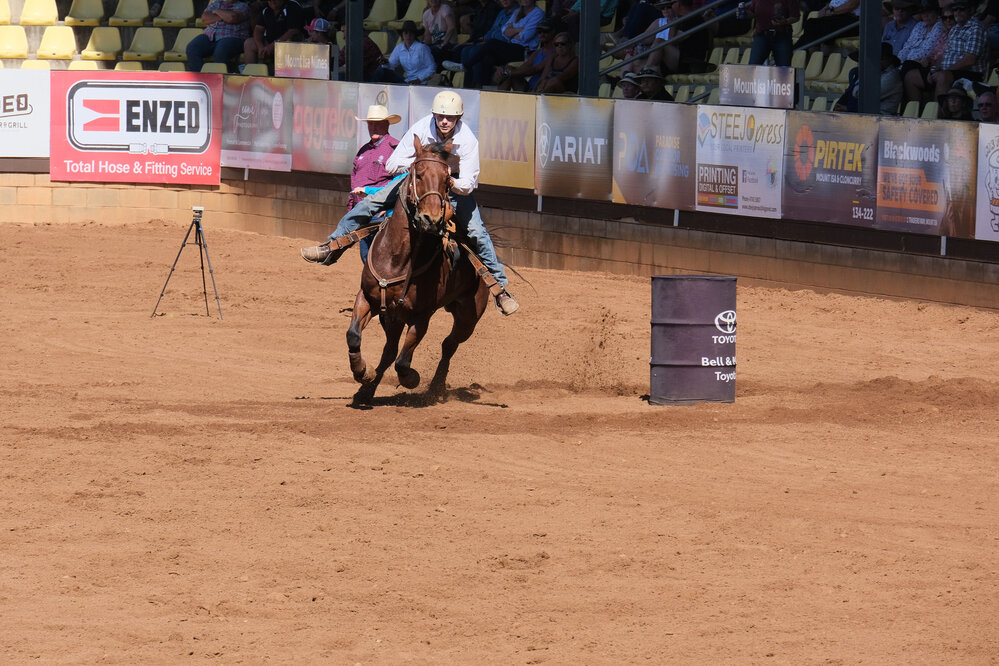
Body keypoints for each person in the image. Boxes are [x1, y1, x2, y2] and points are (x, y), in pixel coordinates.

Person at [301, 91, 520, 316]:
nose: (445, 121)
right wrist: (422, 165)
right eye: (441, 116)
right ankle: (331, 247)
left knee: (477, 232)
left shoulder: (467, 141)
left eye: (451, 117)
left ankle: (500, 289)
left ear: (459, 117)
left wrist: (445, 178)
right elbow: (392, 165)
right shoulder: (421, 128)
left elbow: (469, 183)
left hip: (451, 186)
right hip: (418, 180)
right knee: (368, 205)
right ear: (433, 115)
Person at [928, 0, 987, 96]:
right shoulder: (955, 29)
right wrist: (934, 70)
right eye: (955, 10)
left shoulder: (976, 29)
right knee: (912, 76)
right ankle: (912, 110)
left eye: (961, 9)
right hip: (950, 71)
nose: (957, 12)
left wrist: (946, 71)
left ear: (970, 10)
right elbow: (945, 54)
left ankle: (938, 110)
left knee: (943, 77)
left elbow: (969, 60)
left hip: (971, 74)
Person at [185, 0, 250, 73]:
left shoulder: (243, 5)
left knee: (220, 51)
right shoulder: (217, 3)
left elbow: (232, 18)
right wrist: (223, 16)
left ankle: (221, 77)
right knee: (192, 48)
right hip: (210, 35)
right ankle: (202, 76)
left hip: (233, 37)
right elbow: (204, 18)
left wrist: (217, 11)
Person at [494, 17, 555, 91]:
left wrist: (508, 72)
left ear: (553, 32)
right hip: (529, 87)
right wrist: (504, 70)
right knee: (508, 71)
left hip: (542, 88)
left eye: (545, 31)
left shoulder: (556, 51)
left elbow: (534, 69)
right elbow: (523, 68)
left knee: (509, 73)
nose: (542, 34)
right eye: (539, 31)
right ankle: (499, 99)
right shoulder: (538, 52)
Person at [243, 0, 305, 65]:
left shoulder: (292, 5)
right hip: (270, 43)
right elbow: (258, 29)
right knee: (249, 43)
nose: (272, 1)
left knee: (289, 41)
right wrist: (260, 46)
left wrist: (273, 45)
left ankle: (285, 73)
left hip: (288, 44)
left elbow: (293, 31)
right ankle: (250, 73)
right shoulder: (266, 9)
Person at [745, 0, 800, 67]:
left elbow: (795, 16)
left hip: (781, 35)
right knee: (752, 67)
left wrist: (785, 21)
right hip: (762, 35)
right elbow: (753, 12)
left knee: (784, 69)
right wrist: (745, 13)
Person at [794, 0, 859, 50]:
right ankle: (796, 53)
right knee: (811, 24)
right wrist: (826, 8)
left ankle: (794, 53)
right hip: (838, 16)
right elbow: (838, 2)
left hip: (853, 20)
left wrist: (832, 11)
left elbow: (852, 4)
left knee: (812, 25)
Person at [422, 0, 459, 65]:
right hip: (435, 45)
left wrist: (443, 44)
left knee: (431, 52)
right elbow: (427, 36)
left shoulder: (445, 8)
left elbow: (451, 27)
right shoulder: (426, 14)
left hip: (449, 45)